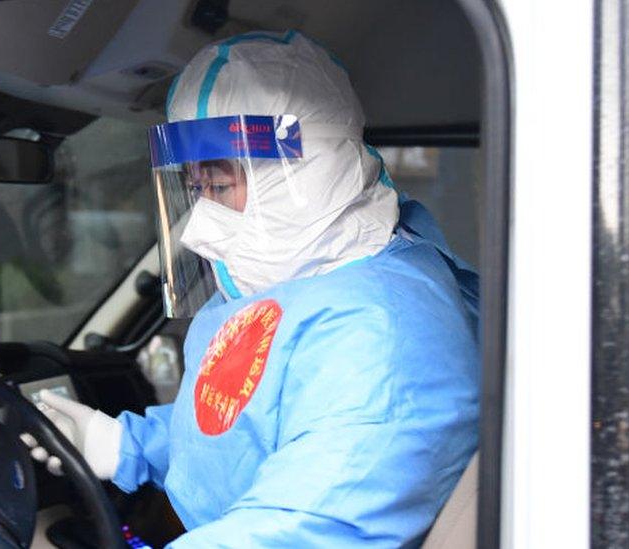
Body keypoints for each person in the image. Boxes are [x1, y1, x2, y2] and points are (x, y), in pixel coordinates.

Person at [25, 30, 480, 547]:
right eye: (195, 189)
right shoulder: (311, 279)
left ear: (305, 174)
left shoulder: (387, 337)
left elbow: (303, 529)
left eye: (219, 186)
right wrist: (125, 444)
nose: (198, 226)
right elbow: (247, 421)